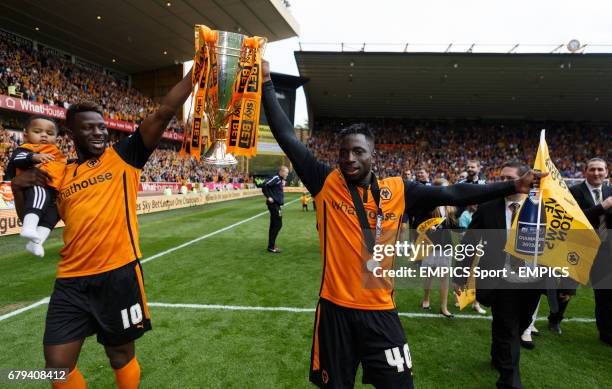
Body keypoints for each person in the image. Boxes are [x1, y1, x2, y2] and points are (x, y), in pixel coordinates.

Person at [262, 60, 542, 389]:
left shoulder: (398, 190)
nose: (349, 158)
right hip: (334, 310)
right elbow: (285, 136)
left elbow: (453, 192)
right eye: (343, 153)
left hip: (380, 310)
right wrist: (266, 82)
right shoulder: (325, 182)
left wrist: (510, 187)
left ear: (373, 156)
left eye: (357, 151)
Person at [11, 69, 193, 388]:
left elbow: (163, 112)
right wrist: (17, 187)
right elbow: (36, 218)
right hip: (70, 280)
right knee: (56, 366)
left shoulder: (124, 156)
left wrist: (197, 74)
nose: (99, 133)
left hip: (118, 274)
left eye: (102, 127)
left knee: (119, 356)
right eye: (89, 128)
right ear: (71, 133)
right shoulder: (60, 173)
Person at [454, 161, 545, 389]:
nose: (504, 183)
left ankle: (498, 356)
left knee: (519, 323)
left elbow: (559, 246)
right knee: (508, 329)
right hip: (500, 280)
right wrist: (459, 275)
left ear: (525, 179)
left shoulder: (540, 206)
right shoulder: (488, 207)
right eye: (502, 178)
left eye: (509, 178)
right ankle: (510, 381)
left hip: (531, 281)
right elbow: (470, 242)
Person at [5, 115, 66, 257]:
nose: (44, 135)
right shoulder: (27, 148)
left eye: (49, 133)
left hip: (53, 190)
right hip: (35, 185)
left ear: (56, 139)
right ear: (26, 136)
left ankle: (36, 242)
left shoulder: (58, 154)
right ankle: (29, 227)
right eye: (38, 132)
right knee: (40, 194)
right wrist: (33, 157)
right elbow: (16, 160)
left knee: (54, 213)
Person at [569, 157, 612, 345]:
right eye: (593, 169)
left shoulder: (610, 191)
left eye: (600, 170)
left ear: (606, 172)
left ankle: (606, 333)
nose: (597, 173)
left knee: (605, 293)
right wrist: (603, 207)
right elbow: (576, 219)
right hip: (581, 249)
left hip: (607, 250)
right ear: (585, 171)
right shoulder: (573, 192)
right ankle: (555, 317)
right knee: (565, 289)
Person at [414, 178, 457, 318]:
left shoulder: (450, 207)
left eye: (447, 188)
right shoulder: (427, 205)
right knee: (429, 274)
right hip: (430, 245)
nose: (446, 191)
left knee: (444, 277)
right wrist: (427, 226)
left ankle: (444, 307)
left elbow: (455, 226)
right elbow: (417, 223)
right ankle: (426, 299)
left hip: (446, 244)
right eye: (443, 189)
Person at [262, 166, 288, 253]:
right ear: (281, 172)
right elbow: (264, 185)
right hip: (273, 205)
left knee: (274, 225)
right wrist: (268, 196)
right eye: (286, 173)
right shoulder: (276, 178)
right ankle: (271, 246)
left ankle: (271, 245)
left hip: (276, 205)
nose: (287, 175)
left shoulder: (279, 179)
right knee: (278, 224)